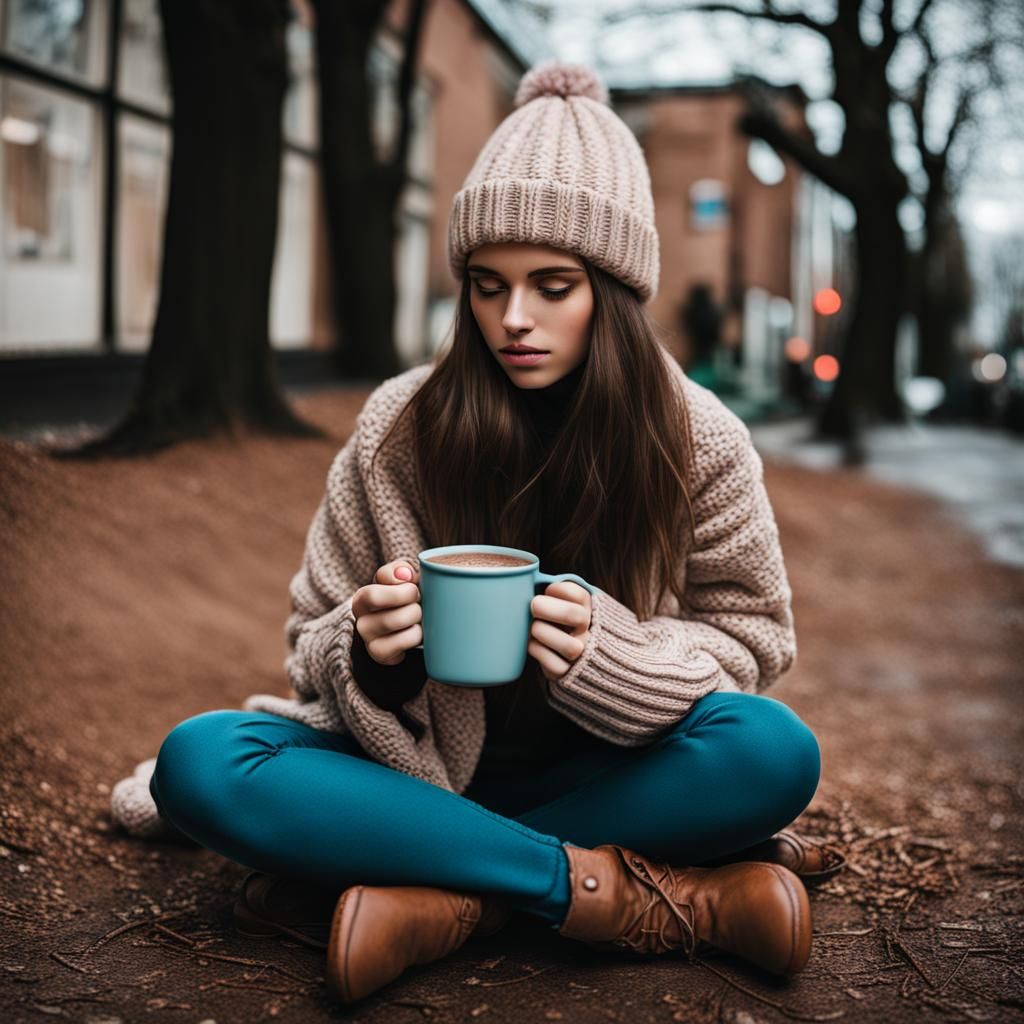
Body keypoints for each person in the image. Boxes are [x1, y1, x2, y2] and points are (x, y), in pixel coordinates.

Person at [110, 60, 843, 1006]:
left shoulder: (696, 437)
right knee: (202, 760)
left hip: (599, 766)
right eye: (487, 286)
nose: (514, 320)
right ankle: (605, 891)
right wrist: (371, 655)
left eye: (553, 285)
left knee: (773, 750)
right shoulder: (400, 427)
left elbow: (753, 634)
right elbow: (311, 639)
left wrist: (616, 658)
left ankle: (446, 891)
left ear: (612, 292)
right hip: (411, 770)